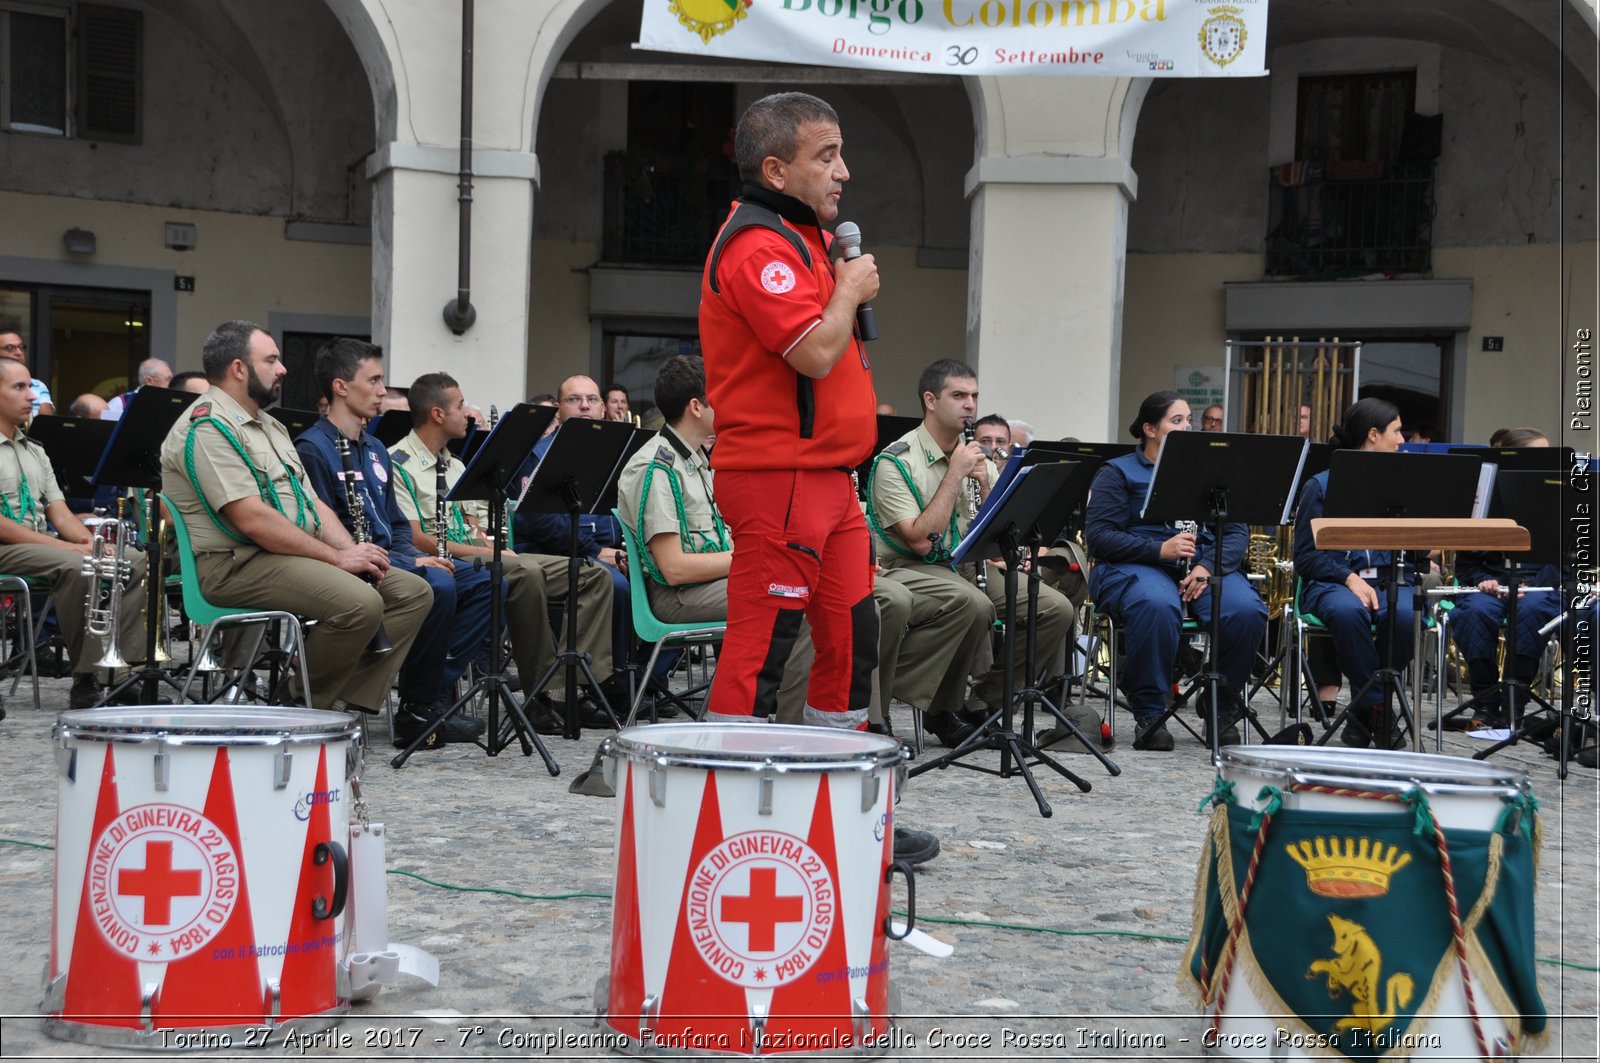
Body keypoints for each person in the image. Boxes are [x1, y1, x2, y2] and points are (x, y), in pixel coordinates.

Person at [698, 91, 880, 730]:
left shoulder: (808, 241)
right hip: (780, 476)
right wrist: (851, 290)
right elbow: (815, 353)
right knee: (763, 645)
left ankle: (835, 802)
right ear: (776, 171)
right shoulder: (757, 246)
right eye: (826, 157)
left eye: (841, 155)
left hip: (828, 479)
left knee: (853, 637)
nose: (843, 172)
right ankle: (731, 804)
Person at [160, 320, 431, 717]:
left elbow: (313, 506)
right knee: (360, 604)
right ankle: (299, 704)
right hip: (233, 565)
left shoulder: (268, 425)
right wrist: (337, 559)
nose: (283, 368)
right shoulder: (209, 426)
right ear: (239, 369)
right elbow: (252, 520)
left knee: (412, 592)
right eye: (271, 359)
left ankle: (335, 696)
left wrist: (354, 552)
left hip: (280, 556)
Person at [391, 371, 614, 733]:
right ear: (436, 414)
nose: (467, 414)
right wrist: (490, 549)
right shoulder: (398, 463)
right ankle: (540, 692)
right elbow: (415, 537)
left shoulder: (458, 464)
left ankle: (575, 687)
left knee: (591, 575)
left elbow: (478, 526)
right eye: (461, 406)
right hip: (450, 558)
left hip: (476, 551)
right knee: (524, 573)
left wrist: (493, 544)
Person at [294, 339, 489, 748]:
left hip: (393, 557)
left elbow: (396, 525)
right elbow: (320, 529)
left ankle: (430, 691)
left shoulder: (375, 448)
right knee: (440, 586)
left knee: (490, 580)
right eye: (376, 380)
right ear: (342, 387)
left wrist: (418, 556)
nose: (384, 391)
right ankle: (416, 708)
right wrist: (413, 564)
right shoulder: (313, 449)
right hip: (351, 566)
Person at [868, 360, 1069, 742]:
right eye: (958, 396)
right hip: (910, 566)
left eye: (973, 396)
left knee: (1054, 609)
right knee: (974, 605)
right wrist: (954, 475)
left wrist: (987, 485)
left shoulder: (976, 455)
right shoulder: (896, 460)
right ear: (931, 399)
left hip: (965, 565)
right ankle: (923, 703)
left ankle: (981, 703)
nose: (970, 406)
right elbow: (919, 541)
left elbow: (1001, 527)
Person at [615, 355, 814, 718]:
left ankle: (775, 718)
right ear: (696, 406)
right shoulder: (656, 467)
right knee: (794, 604)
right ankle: (791, 732)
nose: (735, 403)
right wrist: (753, 557)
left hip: (710, 584)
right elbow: (674, 569)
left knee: (803, 588)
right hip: (677, 596)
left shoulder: (696, 459)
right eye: (725, 394)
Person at [1085, 390, 1267, 752]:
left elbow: (1234, 533)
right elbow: (1100, 537)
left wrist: (1205, 565)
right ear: (1150, 429)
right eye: (1177, 421)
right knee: (1156, 605)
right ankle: (1150, 711)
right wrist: (1158, 549)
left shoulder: (1211, 472)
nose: (1188, 428)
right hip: (1134, 565)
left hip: (1199, 566)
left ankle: (1221, 705)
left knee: (1246, 611)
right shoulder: (1118, 472)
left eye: (1189, 420)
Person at [0, 358, 148, 709]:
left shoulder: (35, 450)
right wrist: (71, 550)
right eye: (19, 388)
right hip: (7, 545)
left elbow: (60, 512)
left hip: (38, 544)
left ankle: (119, 671)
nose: (31, 397)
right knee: (75, 565)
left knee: (135, 559)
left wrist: (91, 544)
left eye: (31, 388)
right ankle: (85, 679)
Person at [1293, 397, 1417, 748]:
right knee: (1348, 613)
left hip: (1392, 578)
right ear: (1373, 434)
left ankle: (1363, 712)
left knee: (1407, 615)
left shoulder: (1405, 482)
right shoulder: (1321, 485)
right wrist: (1349, 577)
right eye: (1397, 431)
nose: (1403, 440)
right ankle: (1378, 707)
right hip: (1332, 580)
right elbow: (1305, 557)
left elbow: (1419, 549)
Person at [514, 373, 635, 691]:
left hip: (606, 550)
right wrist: (595, 551)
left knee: (658, 575)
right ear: (558, 410)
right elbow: (537, 522)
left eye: (592, 400)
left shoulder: (617, 454)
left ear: (603, 409)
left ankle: (644, 681)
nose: (585, 406)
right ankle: (602, 686)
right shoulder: (537, 455)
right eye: (574, 400)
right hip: (553, 553)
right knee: (617, 584)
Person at [1450, 428, 1559, 731]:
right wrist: (1485, 580)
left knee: (1532, 610)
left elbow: (1565, 559)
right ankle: (1485, 701)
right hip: (1493, 582)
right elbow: (1466, 564)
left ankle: (1514, 702)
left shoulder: (1559, 492)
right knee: (1474, 610)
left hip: (1539, 583)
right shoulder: (1484, 496)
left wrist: (1530, 585)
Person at [0, 329, 54, 416]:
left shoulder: (38, 385)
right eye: (9, 348)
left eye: (21, 347)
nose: (19, 352)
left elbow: (46, 424)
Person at [102, 357, 173, 420]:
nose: (172, 384)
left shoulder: (171, 403)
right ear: (149, 381)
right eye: (168, 379)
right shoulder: (119, 404)